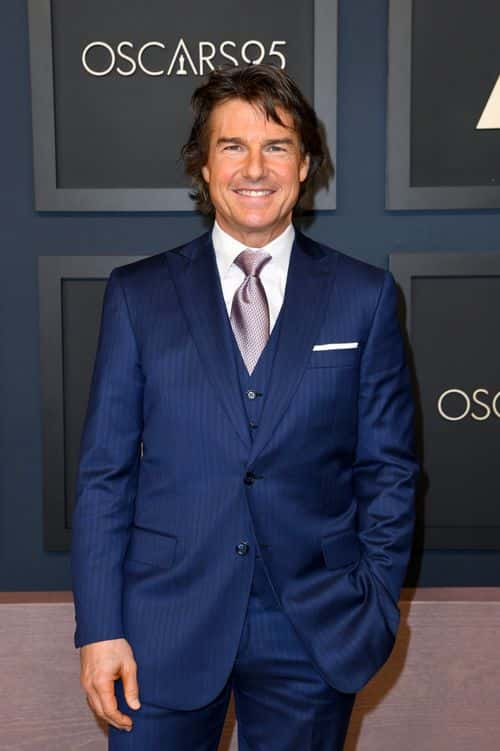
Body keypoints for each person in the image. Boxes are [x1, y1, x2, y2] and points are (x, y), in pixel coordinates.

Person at [71, 64, 419, 750]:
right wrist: (100, 626)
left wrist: (372, 605)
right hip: (160, 625)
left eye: (277, 146)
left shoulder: (364, 297)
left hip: (314, 626)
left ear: (306, 164)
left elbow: (391, 471)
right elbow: (104, 474)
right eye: (232, 146)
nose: (254, 168)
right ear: (202, 167)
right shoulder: (138, 295)